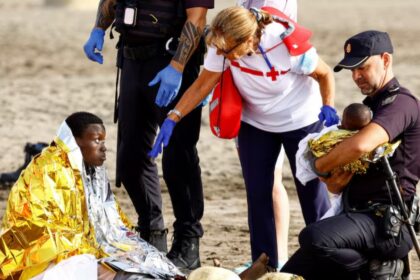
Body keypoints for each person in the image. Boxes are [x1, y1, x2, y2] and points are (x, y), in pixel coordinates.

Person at [149, 6, 340, 270]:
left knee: (312, 195)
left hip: (300, 121)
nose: (225, 56)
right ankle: (265, 265)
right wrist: (174, 117)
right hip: (256, 123)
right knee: (258, 194)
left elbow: (324, 73)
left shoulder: (284, 42)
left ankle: (326, 262)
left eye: (229, 51)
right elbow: (205, 82)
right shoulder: (223, 44)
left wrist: (328, 105)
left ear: (249, 39)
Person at [83, 0, 214, 270]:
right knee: (130, 158)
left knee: (179, 156)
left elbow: (197, 18)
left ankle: (188, 241)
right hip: (131, 60)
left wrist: (177, 68)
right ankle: (152, 234)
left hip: (172, 62)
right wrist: (98, 27)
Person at [281, 30, 420, 279]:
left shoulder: (401, 103)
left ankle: (374, 268)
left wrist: (321, 165)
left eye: (362, 67)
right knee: (289, 274)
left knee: (314, 237)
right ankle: (368, 264)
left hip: (387, 225)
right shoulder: (368, 108)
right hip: (355, 215)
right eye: (351, 70)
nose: (356, 76)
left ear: (385, 60)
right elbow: (336, 186)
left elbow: (360, 146)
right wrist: (333, 177)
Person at [0, 112, 180, 280]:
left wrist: (123, 249)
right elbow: (41, 233)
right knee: (111, 271)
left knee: (145, 261)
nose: (104, 148)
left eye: (104, 141)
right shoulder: (47, 170)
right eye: (96, 141)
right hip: (42, 264)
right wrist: (98, 252)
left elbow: (112, 225)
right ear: (75, 142)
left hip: (82, 254)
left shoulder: (92, 173)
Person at [234, 0, 298, 271]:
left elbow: (267, 23)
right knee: (261, 181)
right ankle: (268, 259)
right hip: (252, 99)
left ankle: (278, 257)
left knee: (272, 180)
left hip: (281, 102)